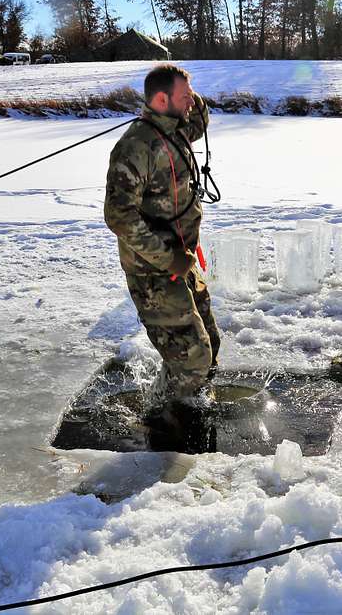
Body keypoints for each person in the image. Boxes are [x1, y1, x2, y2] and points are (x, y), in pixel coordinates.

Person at [104, 64, 219, 452]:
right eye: (184, 97)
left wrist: (187, 90)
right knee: (192, 358)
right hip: (153, 270)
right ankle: (158, 413)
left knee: (210, 344)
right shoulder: (136, 147)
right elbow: (119, 216)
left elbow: (201, 116)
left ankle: (186, 403)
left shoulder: (177, 128)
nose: (192, 103)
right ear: (160, 100)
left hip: (182, 261)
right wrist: (167, 259)